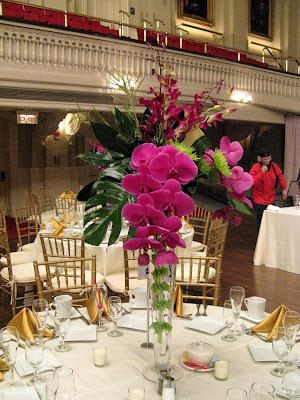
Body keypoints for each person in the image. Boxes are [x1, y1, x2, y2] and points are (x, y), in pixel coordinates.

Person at [249, 148, 287, 232]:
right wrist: (261, 172)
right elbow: (253, 183)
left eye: (268, 158)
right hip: (259, 199)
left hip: (270, 197)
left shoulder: (274, 166)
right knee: (261, 221)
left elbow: (280, 176)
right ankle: (260, 240)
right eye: (265, 159)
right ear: (260, 159)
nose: (267, 161)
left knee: (271, 219)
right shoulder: (255, 167)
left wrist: (284, 189)